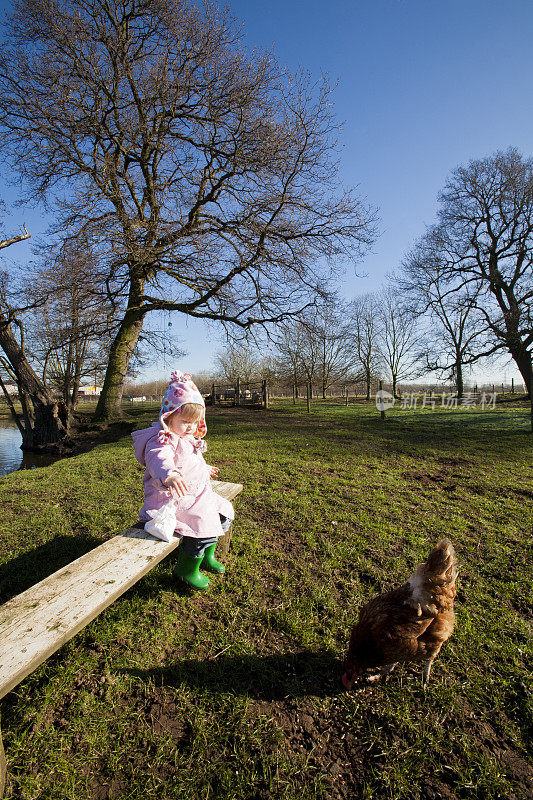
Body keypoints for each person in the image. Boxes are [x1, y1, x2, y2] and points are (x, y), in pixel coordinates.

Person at [132, 370, 234, 590]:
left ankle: (207, 554)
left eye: (195, 422)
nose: (191, 427)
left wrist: (204, 468)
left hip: (196, 493)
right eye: (185, 421)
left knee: (223, 512)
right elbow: (159, 459)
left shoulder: (187, 438)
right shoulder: (163, 439)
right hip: (171, 498)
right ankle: (186, 569)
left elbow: (189, 462)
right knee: (201, 521)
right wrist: (170, 475)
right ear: (169, 416)